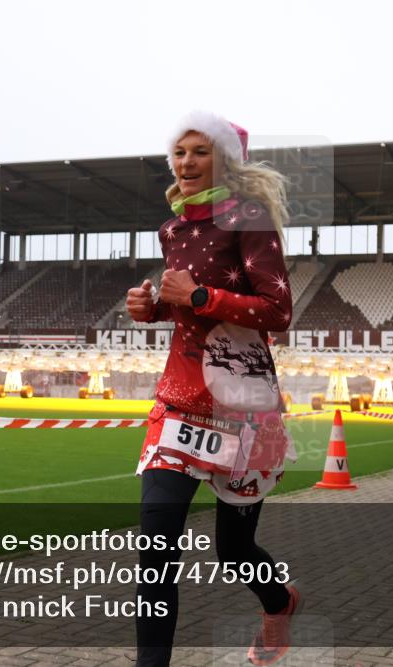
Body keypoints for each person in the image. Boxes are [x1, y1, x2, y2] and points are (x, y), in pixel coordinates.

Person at [125, 111, 297, 667]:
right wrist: (152, 308)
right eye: (179, 152)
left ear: (224, 159)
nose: (187, 162)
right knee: (155, 553)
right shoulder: (172, 229)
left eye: (200, 151)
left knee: (234, 551)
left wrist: (199, 296)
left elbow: (278, 311)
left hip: (243, 411)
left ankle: (279, 602)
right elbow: (185, 307)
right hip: (178, 406)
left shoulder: (249, 220)